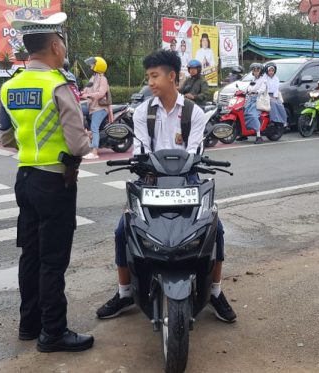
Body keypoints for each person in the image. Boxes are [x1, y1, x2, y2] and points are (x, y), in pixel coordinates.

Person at [96, 49, 237, 324]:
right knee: (122, 229)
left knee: (215, 230)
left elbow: (195, 150)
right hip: (150, 181)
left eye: (155, 75)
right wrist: (141, 165)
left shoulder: (194, 113)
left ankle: (216, 291)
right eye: (148, 76)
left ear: (172, 76)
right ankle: (125, 292)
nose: (150, 82)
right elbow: (140, 150)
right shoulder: (142, 113)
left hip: (187, 181)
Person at [0, 12, 94, 353]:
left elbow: (4, 135)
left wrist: (31, 146)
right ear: (55, 46)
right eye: (62, 42)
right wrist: (89, 139)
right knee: (53, 260)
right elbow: (79, 144)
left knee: (31, 255)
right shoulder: (57, 84)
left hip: (25, 179)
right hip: (55, 181)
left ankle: (29, 324)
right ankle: (53, 332)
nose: (63, 47)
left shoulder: (10, 86)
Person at [81, 56, 111, 160]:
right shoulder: (93, 78)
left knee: (94, 127)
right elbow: (86, 89)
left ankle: (95, 152)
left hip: (100, 108)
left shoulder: (103, 79)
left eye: (92, 64)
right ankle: (89, 145)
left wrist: (89, 96)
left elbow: (101, 93)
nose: (90, 66)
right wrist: (81, 93)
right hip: (92, 107)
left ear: (98, 66)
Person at [244, 62, 267, 144]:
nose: (256, 71)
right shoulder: (253, 80)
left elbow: (262, 89)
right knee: (244, 113)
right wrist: (245, 91)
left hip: (258, 100)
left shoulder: (263, 80)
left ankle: (258, 136)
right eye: (254, 70)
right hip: (250, 100)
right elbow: (248, 88)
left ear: (261, 71)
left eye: (257, 70)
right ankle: (244, 134)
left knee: (253, 115)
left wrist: (256, 92)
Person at [264, 62, 288, 128]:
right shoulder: (264, 78)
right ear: (267, 71)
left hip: (274, 95)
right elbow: (264, 88)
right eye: (269, 71)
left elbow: (276, 89)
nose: (271, 72)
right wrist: (268, 96)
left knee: (280, 105)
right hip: (265, 95)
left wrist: (275, 96)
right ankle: (273, 120)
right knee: (273, 103)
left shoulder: (276, 79)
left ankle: (283, 121)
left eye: (272, 70)